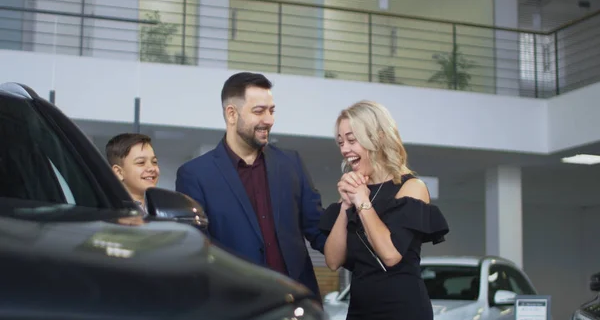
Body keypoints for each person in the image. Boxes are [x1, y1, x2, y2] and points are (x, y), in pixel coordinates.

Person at [175, 72, 327, 298]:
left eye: (271, 110)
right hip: (235, 306)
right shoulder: (194, 175)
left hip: (294, 305)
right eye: (259, 111)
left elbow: (318, 229)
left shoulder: (291, 164)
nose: (269, 120)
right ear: (231, 114)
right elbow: (195, 251)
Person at [319, 100, 449, 320]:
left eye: (352, 139)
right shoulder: (358, 191)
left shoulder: (411, 188)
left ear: (378, 137)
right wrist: (345, 206)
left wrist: (361, 200)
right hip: (359, 310)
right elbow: (333, 261)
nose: (344, 149)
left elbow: (390, 255)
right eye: (341, 142)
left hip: (403, 310)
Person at [105, 133, 160, 212]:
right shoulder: (110, 211)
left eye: (154, 162)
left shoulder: (162, 207)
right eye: (141, 162)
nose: (151, 168)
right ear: (119, 172)